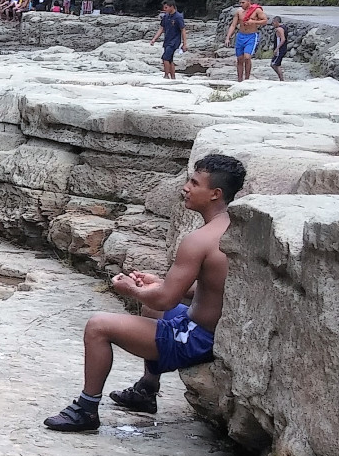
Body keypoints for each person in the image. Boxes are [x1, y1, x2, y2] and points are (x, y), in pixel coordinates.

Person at [44, 153, 247, 432]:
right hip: (214, 329)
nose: (185, 187)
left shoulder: (198, 240)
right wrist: (157, 283)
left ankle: (86, 409)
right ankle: (146, 390)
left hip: (197, 337)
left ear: (215, 194)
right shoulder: (234, 230)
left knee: (98, 326)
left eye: (194, 182)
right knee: (153, 309)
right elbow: (213, 290)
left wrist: (131, 289)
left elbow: (166, 299)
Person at [227, 0, 267, 82]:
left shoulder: (256, 10)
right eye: (240, 3)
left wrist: (254, 22)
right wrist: (228, 37)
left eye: (243, 3)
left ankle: (247, 78)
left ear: (248, 1)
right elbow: (233, 25)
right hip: (241, 36)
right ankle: (240, 79)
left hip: (251, 36)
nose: (241, 5)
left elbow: (265, 21)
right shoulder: (239, 12)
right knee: (239, 59)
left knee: (247, 57)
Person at [148, 0, 187, 79]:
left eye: (166, 7)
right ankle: (173, 76)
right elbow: (161, 28)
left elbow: (183, 30)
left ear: (172, 6)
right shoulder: (166, 17)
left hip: (174, 41)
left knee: (165, 58)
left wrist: (184, 44)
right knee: (170, 59)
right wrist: (154, 39)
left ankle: (166, 75)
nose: (164, 9)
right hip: (167, 40)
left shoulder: (178, 17)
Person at [270, 16, 290, 80]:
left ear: (276, 22)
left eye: (273, 23)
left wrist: (277, 49)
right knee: (275, 64)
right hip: (282, 49)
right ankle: (281, 77)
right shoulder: (284, 27)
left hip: (280, 49)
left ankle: (281, 78)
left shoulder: (279, 29)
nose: (272, 24)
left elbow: (283, 39)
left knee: (274, 64)